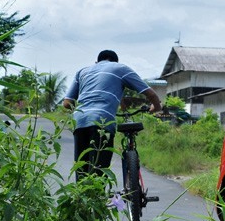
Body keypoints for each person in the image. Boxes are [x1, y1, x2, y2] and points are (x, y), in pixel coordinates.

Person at [62, 49, 162, 181]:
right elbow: (151, 94)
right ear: (115, 61)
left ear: (97, 62)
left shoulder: (82, 72)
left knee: (82, 167)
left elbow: (66, 103)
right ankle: (97, 198)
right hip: (102, 121)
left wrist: (84, 110)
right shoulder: (120, 69)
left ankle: (81, 200)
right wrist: (156, 108)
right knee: (99, 169)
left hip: (80, 121)